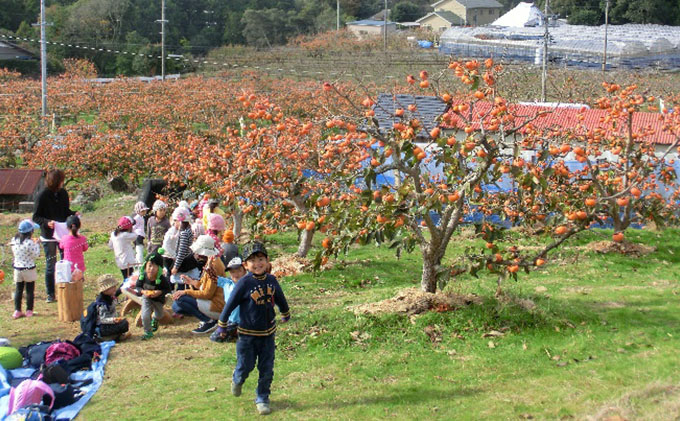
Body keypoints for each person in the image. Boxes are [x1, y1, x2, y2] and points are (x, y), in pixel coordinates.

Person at [223, 242, 290, 415]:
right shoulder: (244, 283)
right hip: (247, 335)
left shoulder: (272, 280)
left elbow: (280, 298)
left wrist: (285, 312)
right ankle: (238, 379)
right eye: (252, 260)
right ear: (245, 265)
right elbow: (230, 304)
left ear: (267, 261)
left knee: (266, 368)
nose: (257, 263)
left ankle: (262, 398)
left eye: (261, 259)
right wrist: (222, 324)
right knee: (246, 365)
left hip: (268, 333)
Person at [32, 169, 77, 303]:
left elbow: (65, 211)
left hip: (63, 233)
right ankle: (51, 294)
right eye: (61, 180)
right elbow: (36, 217)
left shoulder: (63, 193)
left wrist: (74, 214)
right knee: (51, 264)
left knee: (66, 262)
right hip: (49, 235)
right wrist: (47, 223)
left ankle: (65, 289)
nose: (63, 182)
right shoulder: (42, 195)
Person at [171, 235, 225, 334]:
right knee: (177, 306)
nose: (196, 254)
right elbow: (203, 285)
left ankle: (209, 321)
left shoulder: (213, 266)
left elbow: (207, 294)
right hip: (212, 302)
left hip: (216, 305)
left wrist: (185, 291)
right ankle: (208, 318)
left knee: (181, 299)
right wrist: (191, 282)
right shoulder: (211, 262)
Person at [134, 249, 172, 340]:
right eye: (149, 266)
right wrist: (143, 292)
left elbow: (168, 289)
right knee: (145, 315)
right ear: (145, 266)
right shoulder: (143, 276)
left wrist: (159, 292)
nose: (151, 269)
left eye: (154, 267)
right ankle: (148, 331)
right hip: (146, 298)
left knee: (159, 314)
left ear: (159, 268)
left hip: (158, 299)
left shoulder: (161, 279)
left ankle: (155, 319)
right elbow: (138, 287)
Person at [10, 219, 41, 319]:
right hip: (29, 269)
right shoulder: (29, 243)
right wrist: (37, 244)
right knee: (30, 290)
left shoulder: (14, 240)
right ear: (30, 232)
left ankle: (17, 310)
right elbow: (36, 254)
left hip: (17, 269)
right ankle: (29, 310)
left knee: (18, 290)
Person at [210, 256, 245, 343]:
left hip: (247, 321)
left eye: (239, 271)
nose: (236, 274)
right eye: (232, 272)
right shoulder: (227, 283)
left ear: (245, 270)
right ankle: (233, 333)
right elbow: (212, 277)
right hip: (232, 321)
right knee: (215, 337)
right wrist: (209, 265)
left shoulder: (249, 283)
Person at [92, 274, 130, 341]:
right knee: (124, 325)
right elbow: (102, 319)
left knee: (124, 323)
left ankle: (115, 336)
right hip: (103, 327)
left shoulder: (109, 297)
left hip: (109, 324)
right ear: (106, 290)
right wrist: (113, 320)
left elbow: (117, 301)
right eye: (113, 287)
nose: (115, 288)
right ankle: (110, 337)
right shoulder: (102, 303)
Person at [171, 207, 200, 290]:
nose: (174, 223)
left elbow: (182, 251)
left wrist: (176, 266)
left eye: (175, 220)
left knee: (182, 284)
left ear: (180, 221)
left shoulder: (184, 233)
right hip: (188, 260)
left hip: (184, 262)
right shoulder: (188, 230)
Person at [108, 216, 138, 286]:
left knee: (127, 279)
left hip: (120, 261)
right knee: (129, 281)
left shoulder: (114, 234)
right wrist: (132, 229)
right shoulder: (125, 235)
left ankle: (126, 296)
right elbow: (136, 236)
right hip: (127, 261)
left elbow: (110, 245)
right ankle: (116, 294)